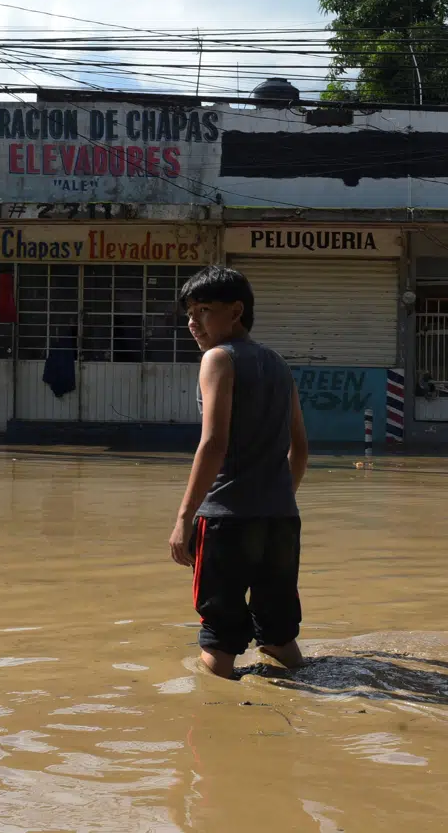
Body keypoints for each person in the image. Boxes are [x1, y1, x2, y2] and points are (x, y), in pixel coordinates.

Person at [168, 266, 310, 679]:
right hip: (281, 520)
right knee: (279, 637)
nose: (193, 323)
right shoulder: (280, 364)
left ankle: (215, 726)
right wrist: (279, 496)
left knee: (220, 642)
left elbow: (213, 444)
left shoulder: (217, 359)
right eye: (190, 313)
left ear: (236, 311)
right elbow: (299, 449)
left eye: (204, 311)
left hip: (228, 521)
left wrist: (183, 519)